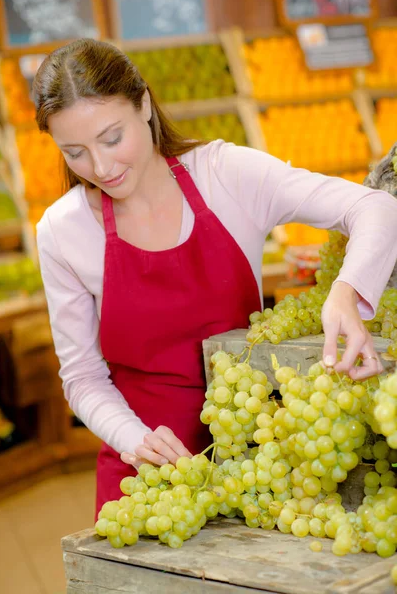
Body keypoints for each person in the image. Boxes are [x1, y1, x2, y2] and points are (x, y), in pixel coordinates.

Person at [33, 38, 397, 514]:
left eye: (111, 138)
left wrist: (347, 293)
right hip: (146, 475)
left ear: (143, 103)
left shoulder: (225, 175)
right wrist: (136, 439)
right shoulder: (63, 231)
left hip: (260, 461)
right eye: (74, 152)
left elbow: (375, 206)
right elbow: (81, 376)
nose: (100, 167)